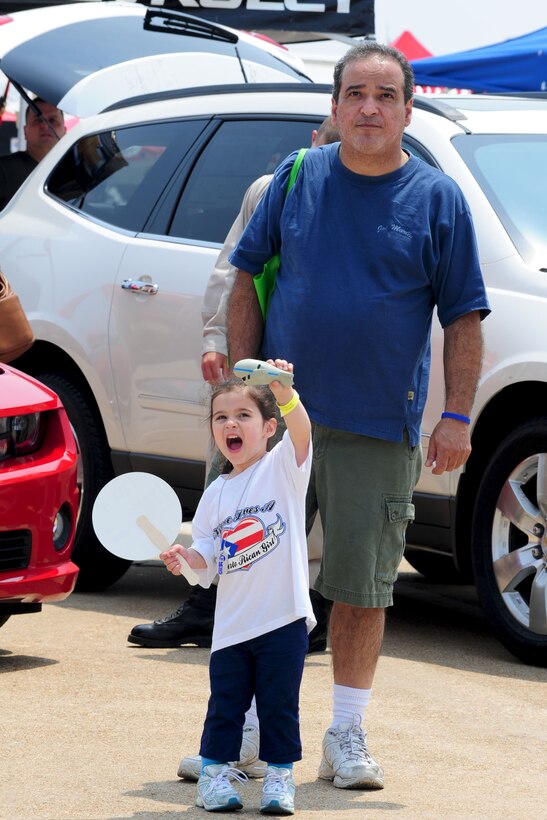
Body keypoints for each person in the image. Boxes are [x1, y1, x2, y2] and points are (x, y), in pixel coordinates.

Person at [227, 42, 491, 791]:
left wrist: (457, 415)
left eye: (384, 95)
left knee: (361, 587)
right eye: (354, 94)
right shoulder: (297, 177)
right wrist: (246, 389)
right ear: (335, 107)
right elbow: (246, 274)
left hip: (379, 425)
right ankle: (244, 728)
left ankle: (346, 732)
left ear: (407, 109)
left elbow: (464, 316)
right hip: (279, 423)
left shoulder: (437, 199)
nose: (368, 108)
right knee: (253, 574)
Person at [128, 117, 340, 657]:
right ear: (313, 142)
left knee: (316, 489)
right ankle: (206, 603)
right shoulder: (273, 191)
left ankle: (314, 611)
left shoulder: (386, 194)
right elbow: (232, 269)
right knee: (231, 474)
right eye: (328, 142)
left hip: (345, 378)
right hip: (265, 365)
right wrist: (215, 339)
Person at [160, 359, 313, 814]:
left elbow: (302, 430)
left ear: (268, 428)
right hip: (231, 629)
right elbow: (206, 563)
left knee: (279, 706)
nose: (231, 424)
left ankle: (280, 780)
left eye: (243, 416)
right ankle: (213, 777)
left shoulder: (284, 468)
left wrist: (284, 391)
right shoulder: (215, 494)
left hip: (283, 619)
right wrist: (185, 559)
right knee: (225, 705)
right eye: (221, 417)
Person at [0, 97, 65, 210]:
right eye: (37, 120)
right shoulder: (2, 170)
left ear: (65, 131)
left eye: (53, 120)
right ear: (25, 131)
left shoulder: (78, 175)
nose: (45, 126)